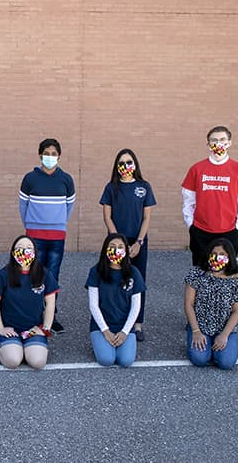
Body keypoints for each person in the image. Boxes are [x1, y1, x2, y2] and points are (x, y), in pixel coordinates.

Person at [19, 138, 75, 334]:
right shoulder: (30, 179)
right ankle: (31, 315)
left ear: (59, 156)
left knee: (52, 275)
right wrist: (32, 224)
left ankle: (50, 316)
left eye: (53, 154)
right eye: (46, 153)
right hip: (34, 236)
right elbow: (23, 205)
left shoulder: (66, 180)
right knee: (32, 274)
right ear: (40, 155)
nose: (50, 157)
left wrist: (58, 223)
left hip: (57, 236)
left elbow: (69, 206)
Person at [100, 148, 156, 341]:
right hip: (115, 244)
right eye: (121, 163)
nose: (125, 166)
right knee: (114, 279)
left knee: (137, 280)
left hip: (137, 241)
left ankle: (137, 323)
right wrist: (117, 243)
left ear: (135, 164)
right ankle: (113, 320)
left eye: (129, 162)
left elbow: (147, 217)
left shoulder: (144, 187)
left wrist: (139, 242)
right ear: (117, 166)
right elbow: (107, 216)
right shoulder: (111, 188)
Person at [182, 125, 238, 267]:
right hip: (201, 232)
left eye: (222, 140)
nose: (218, 144)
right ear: (208, 144)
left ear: (229, 143)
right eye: (214, 140)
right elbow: (188, 201)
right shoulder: (196, 169)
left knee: (225, 274)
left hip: (229, 232)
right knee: (200, 273)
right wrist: (191, 225)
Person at [0, 235, 56, 369]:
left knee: (38, 362)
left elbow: (50, 303)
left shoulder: (44, 274)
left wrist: (45, 329)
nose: (24, 252)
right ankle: (7, 346)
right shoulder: (3, 274)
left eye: (29, 248)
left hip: (33, 329)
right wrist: (1, 328)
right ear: (13, 252)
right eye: (20, 248)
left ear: (35, 252)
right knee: (12, 361)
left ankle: (24, 347)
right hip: (10, 329)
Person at [183, 238, 238, 370]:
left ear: (229, 256)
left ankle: (216, 349)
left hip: (224, 328)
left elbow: (236, 311)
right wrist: (196, 331)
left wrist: (224, 335)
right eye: (214, 253)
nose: (217, 257)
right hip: (200, 326)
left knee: (226, 363)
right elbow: (188, 304)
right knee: (199, 359)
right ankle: (207, 348)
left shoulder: (237, 279)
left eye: (222, 254)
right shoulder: (196, 273)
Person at [85, 233, 145, 367]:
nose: (116, 250)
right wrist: (105, 331)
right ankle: (99, 341)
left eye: (120, 247)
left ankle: (117, 342)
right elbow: (93, 306)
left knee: (126, 361)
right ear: (105, 249)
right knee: (106, 360)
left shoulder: (134, 273)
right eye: (112, 246)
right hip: (101, 326)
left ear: (126, 250)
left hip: (125, 326)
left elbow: (136, 307)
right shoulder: (96, 272)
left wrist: (124, 332)